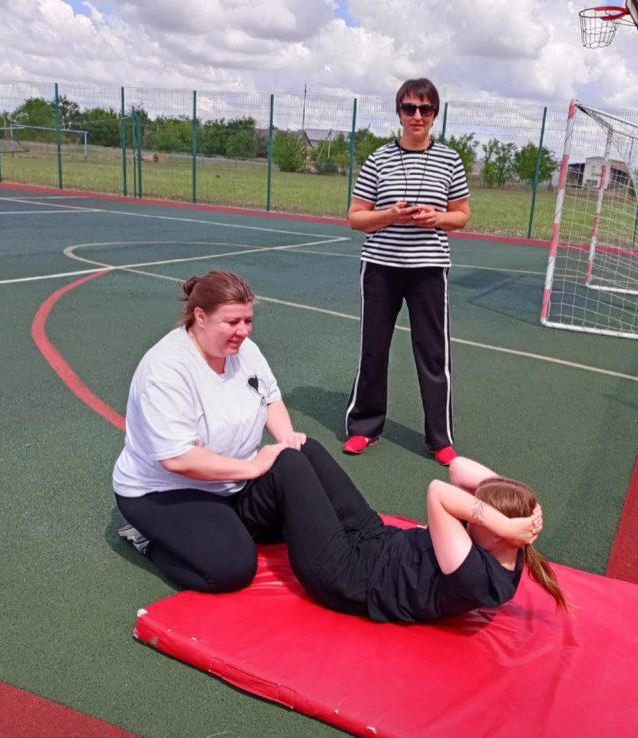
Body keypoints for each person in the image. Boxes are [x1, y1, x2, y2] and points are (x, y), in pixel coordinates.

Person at [112, 269, 311, 593]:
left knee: (300, 519)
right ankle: (147, 539)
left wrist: (286, 441)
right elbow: (178, 459)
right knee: (230, 568)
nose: (243, 331)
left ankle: (224, 523)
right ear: (200, 317)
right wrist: (253, 468)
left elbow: (270, 398)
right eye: (232, 322)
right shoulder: (166, 370)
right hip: (164, 491)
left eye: (247, 321)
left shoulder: (245, 350)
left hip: (229, 481)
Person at [236, 442, 568, 622]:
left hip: (347, 575)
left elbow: (438, 491)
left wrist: (502, 521)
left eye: (478, 517)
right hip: (376, 539)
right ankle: (273, 520)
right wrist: (523, 502)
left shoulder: (476, 575)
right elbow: (458, 468)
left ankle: (234, 526)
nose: (470, 517)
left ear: (496, 533)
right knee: (305, 447)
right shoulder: (506, 544)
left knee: (290, 463)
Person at [343, 77, 471, 466]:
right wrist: (389, 215)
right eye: (409, 108)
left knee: (433, 353)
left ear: (435, 114)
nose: (417, 115)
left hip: (428, 269)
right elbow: (356, 217)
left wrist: (437, 218)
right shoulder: (378, 159)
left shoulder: (450, 160)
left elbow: (462, 215)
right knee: (373, 348)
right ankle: (364, 426)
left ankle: (439, 438)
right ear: (398, 112)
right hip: (380, 268)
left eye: (425, 108)